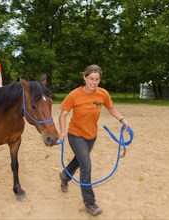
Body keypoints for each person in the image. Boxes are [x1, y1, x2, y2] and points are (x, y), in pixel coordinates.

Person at [58, 64, 131, 216]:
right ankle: (90, 203)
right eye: (91, 78)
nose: (94, 82)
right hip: (75, 134)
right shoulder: (74, 95)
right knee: (86, 166)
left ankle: (65, 175)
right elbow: (63, 114)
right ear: (84, 77)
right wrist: (63, 131)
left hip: (91, 136)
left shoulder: (102, 93)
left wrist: (122, 120)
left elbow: (111, 108)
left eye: (97, 79)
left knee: (79, 161)